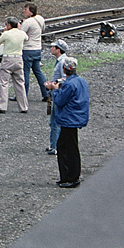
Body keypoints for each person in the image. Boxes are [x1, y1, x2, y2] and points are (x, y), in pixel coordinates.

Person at [45, 56, 88, 188]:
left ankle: (72, 178)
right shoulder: (81, 81)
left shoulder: (69, 84)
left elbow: (59, 101)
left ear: (64, 69)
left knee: (68, 149)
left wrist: (55, 90)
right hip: (76, 117)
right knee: (66, 146)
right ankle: (66, 177)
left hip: (69, 119)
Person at [0, 17, 28, 114]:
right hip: (19, 59)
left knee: (4, 83)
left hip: (8, 59)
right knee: (20, 83)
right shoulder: (22, 33)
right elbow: (27, 39)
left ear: (9, 25)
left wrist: (3, 32)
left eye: (6, 24)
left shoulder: (6, 34)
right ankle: (23, 107)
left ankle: (2, 106)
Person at [45, 39, 69, 155]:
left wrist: (52, 85)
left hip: (58, 94)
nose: (51, 48)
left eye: (53, 47)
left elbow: (65, 79)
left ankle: (55, 147)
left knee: (55, 121)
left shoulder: (62, 62)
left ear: (58, 50)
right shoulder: (61, 61)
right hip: (56, 93)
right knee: (53, 121)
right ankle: (52, 144)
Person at [19, 3, 47, 102]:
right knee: (38, 72)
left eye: (25, 9)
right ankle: (46, 93)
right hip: (37, 49)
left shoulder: (28, 22)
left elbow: (21, 34)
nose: (23, 11)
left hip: (28, 50)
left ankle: (23, 95)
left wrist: (20, 26)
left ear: (31, 12)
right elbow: (43, 29)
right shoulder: (41, 19)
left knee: (25, 73)